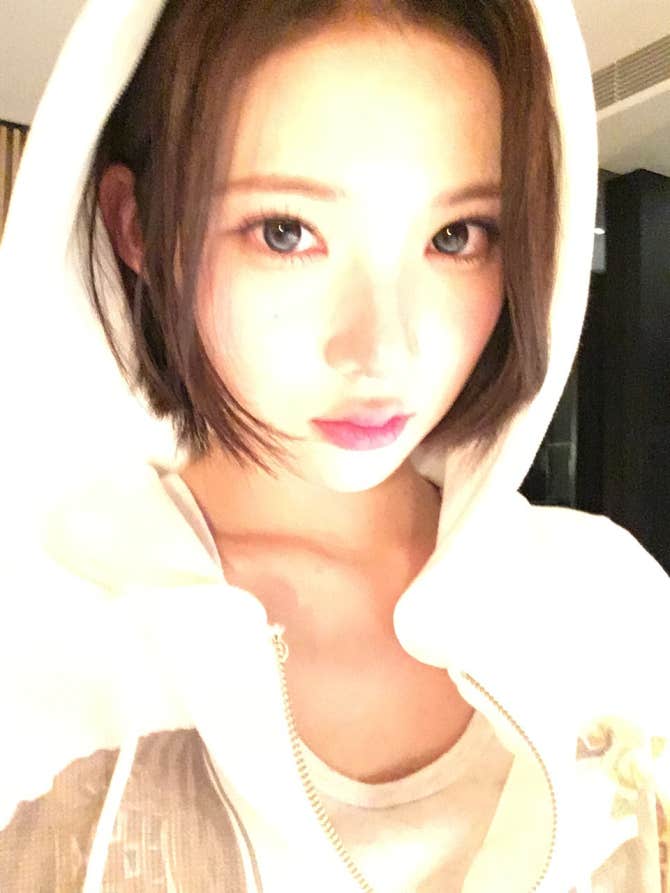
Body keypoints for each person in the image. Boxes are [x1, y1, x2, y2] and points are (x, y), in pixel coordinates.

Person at [0, 0, 668, 890]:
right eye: (285, 232)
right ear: (141, 230)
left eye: (457, 236)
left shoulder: (612, 599)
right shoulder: (35, 625)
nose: (383, 350)